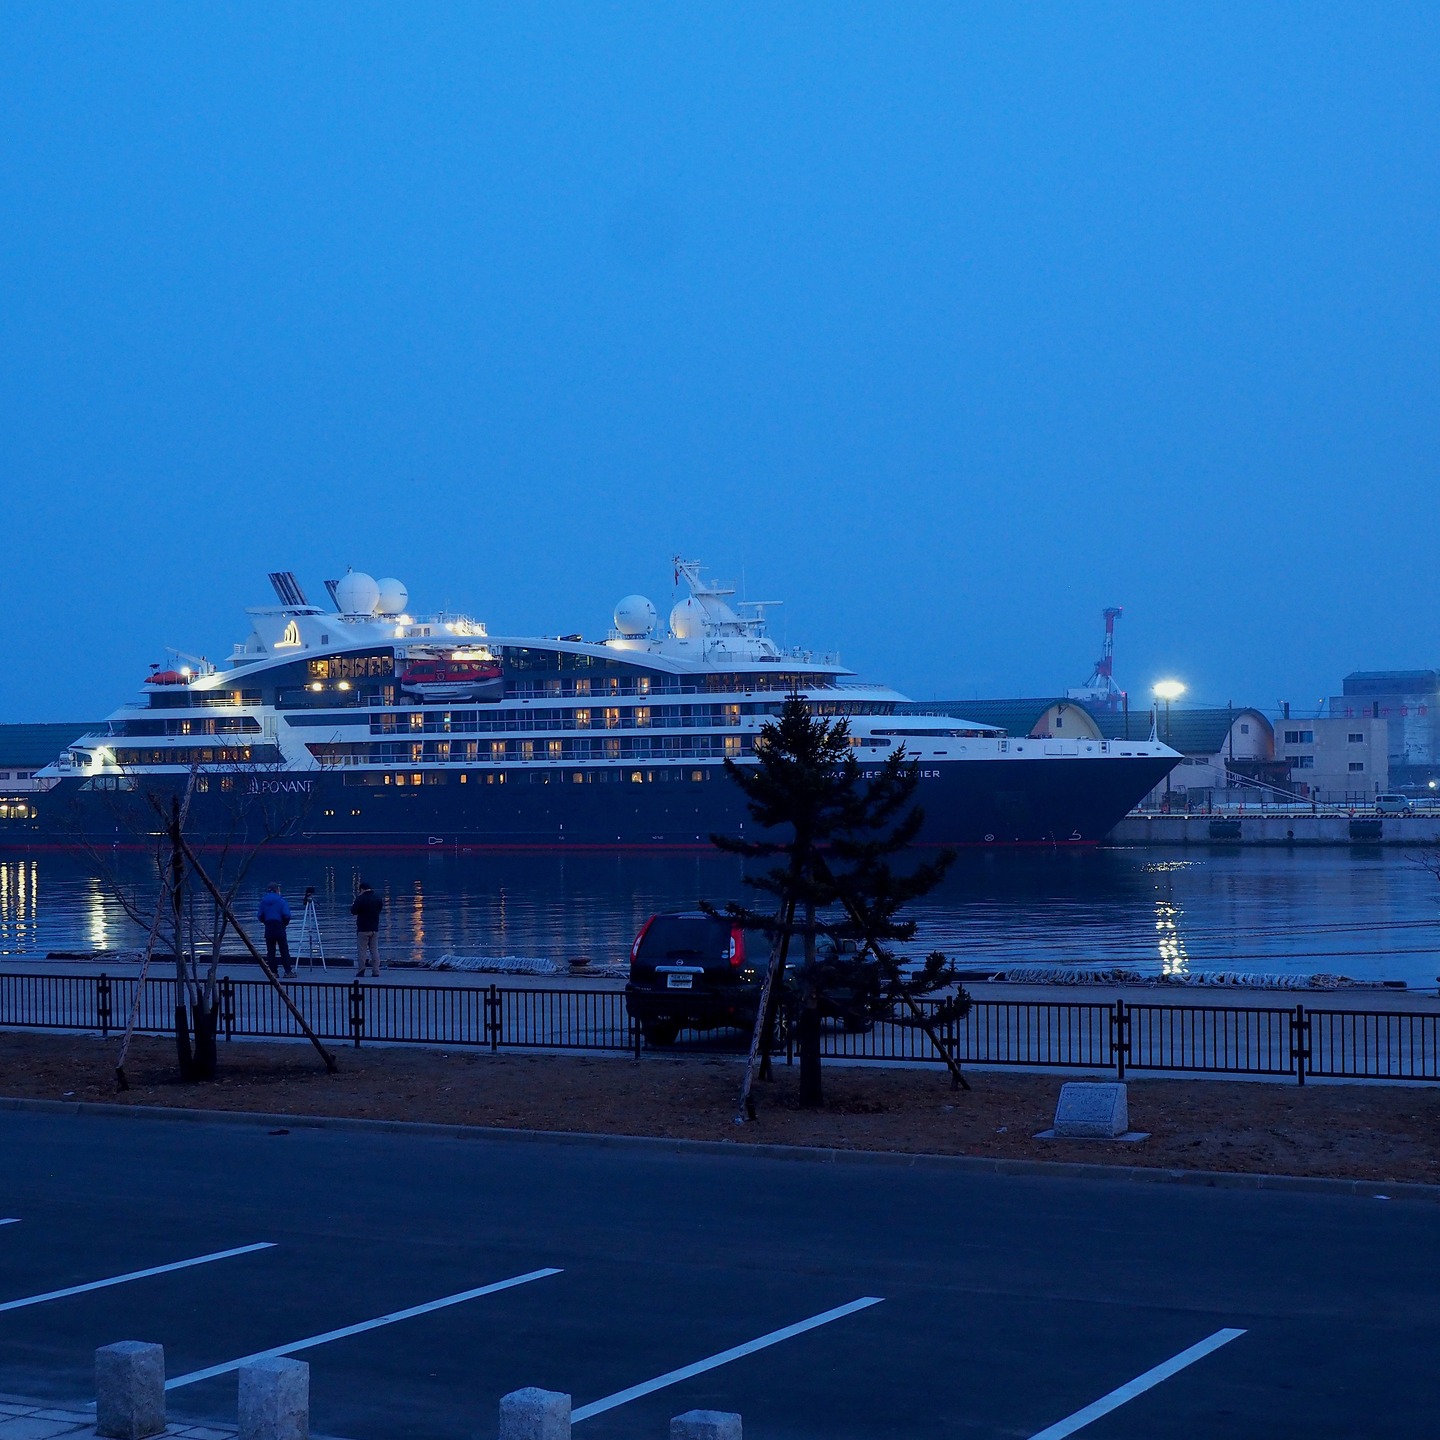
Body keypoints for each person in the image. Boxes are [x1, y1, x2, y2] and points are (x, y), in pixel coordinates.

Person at [256, 882, 295, 979]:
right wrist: (284, 923)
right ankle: (288, 972)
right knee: (284, 950)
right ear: (277, 890)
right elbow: (287, 915)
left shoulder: (263, 901)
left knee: (270, 951)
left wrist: (266, 922)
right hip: (279, 926)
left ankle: (273, 972)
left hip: (269, 927)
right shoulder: (281, 901)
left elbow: (259, 916)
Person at [350, 880, 384, 977]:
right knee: (374, 950)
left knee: (362, 950)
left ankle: (361, 970)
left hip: (363, 928)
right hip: (374, 928)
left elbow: (353, 911)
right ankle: (376, 971)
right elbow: (379, 910)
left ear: (362, 889)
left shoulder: (360, 899)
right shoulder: (377, 898)